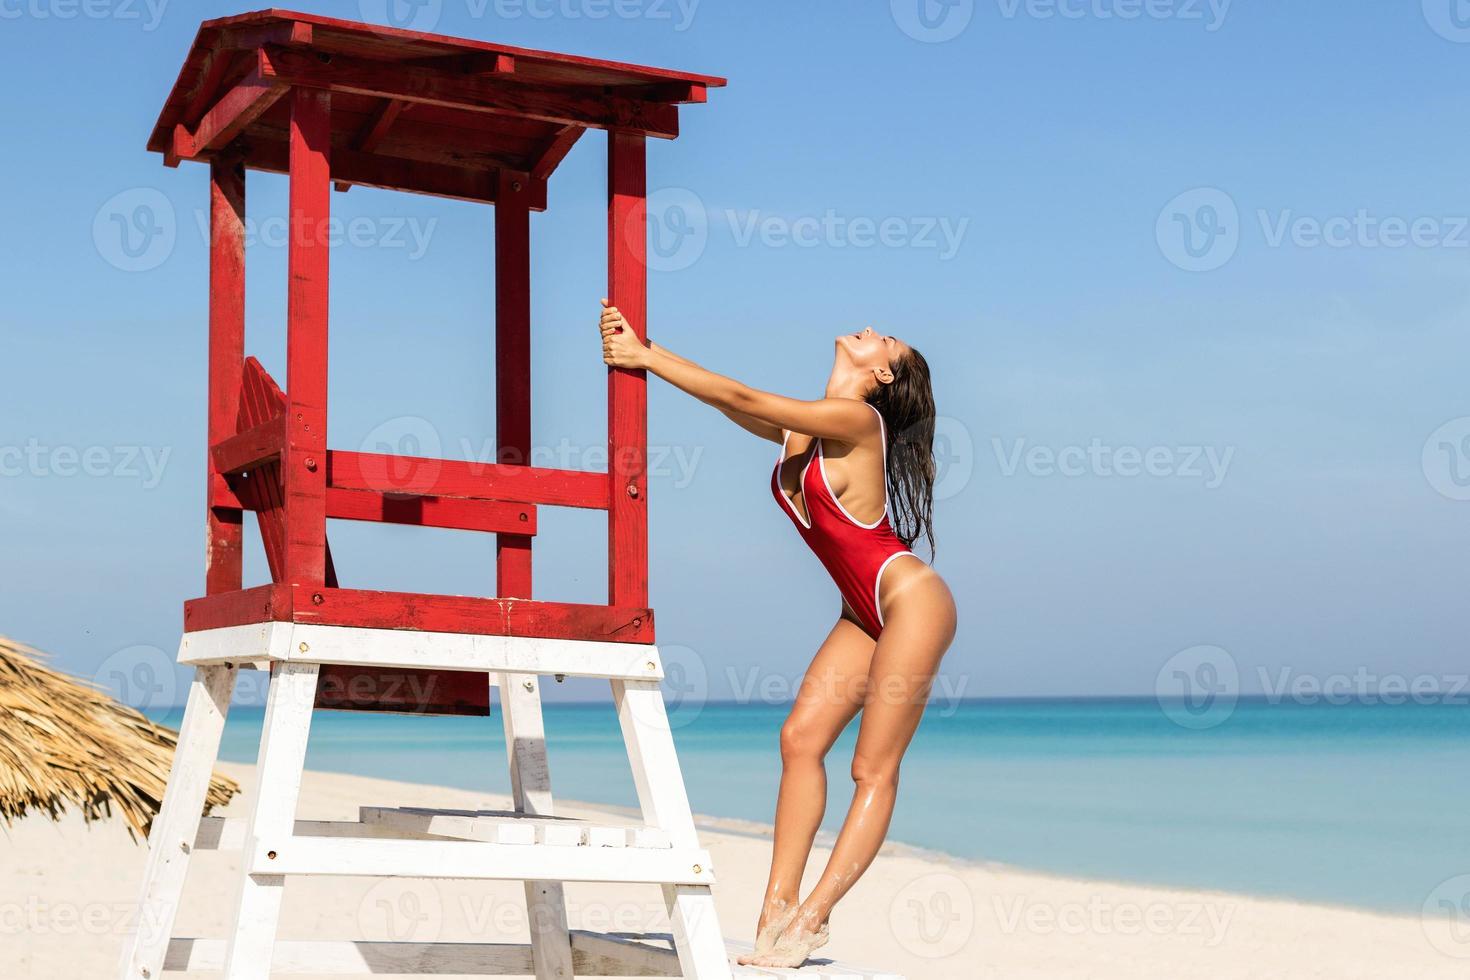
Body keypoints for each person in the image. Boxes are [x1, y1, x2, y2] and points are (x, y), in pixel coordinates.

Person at [598, 301, 957, 968]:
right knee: (798, 739)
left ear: (881, 372)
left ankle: (812, 919)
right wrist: (646, 349)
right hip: (861, 610)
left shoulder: (859, 420)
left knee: (870, 767)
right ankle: (776, 909)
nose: (874, 327)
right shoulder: (805, 433)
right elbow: (734, 407)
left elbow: (740, 393)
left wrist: (645, 355)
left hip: (909, 600)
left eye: (890, 339)